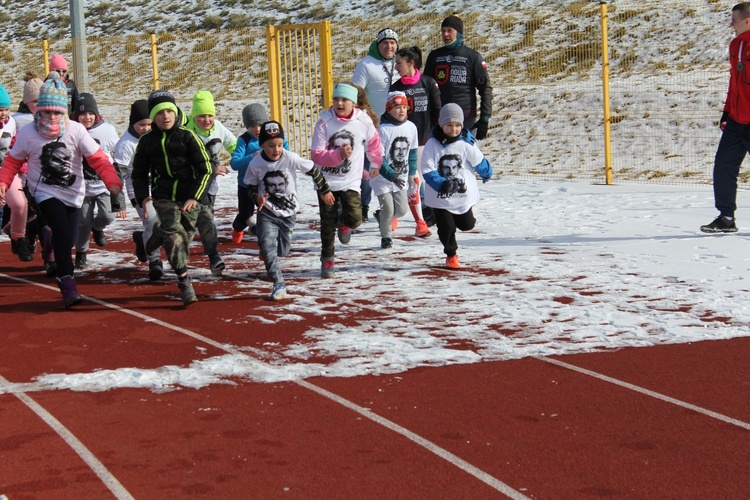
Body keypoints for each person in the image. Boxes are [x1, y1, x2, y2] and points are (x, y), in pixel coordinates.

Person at [0, 72, 122, 308]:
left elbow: (97, 159)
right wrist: (3, 182)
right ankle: (68, 287)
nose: (52, 117)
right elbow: (12, 162)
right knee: (63, 234)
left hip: (74, 193)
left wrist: (111, 181)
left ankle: (48, 239)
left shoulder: (76, 130)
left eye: (57, 112)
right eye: (47, 112)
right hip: (44, 192)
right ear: (39, 111)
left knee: (67, 240)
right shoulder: (28, 134)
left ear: (64, 112)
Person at [131, 90, 213, 306]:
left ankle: (157, 233)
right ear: (153, 117)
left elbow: (206, 169)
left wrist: (195, 197)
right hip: (163, 197)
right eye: (159, 113)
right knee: (175, 238)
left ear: (176, 113)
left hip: (189, 198)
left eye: (169, 111)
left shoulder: (188, 136)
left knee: (184, 238)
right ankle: (184, 282)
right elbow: (138, 173)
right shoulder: (147, 141)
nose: (165, 116)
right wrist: (143, 198)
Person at [244, 121, 334, 299]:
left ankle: (257, 233)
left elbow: (313, 170)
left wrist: (324, 190)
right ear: (262, 145)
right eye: (271, 146)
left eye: (279, 144)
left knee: (282, 251)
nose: (276, 149)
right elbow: (250, 186)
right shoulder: (256, 163)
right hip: (267, 213)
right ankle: (279, 284)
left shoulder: (290, 158)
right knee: (269, 247)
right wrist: (257, 197)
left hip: (288, 214)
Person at [311, 82, 383, 278]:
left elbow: (374, 144)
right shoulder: (324, 123)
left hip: (350, 181)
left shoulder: (363, 122)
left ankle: (344, 223)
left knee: (355, 219)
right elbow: (316, 155)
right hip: (326, 182)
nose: (340, 103)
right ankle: (327, 260)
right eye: (336, 99)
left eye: (345, 100)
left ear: (354, 103)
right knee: (327, 223)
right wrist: (338, 155)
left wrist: (376, 163)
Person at [421, 103, 492, 269]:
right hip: (440, 197)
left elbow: (479, 161)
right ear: (440, 124)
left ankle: (460, 219)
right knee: (447, 228)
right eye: (449, 125)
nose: (453, 129)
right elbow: (427, 169)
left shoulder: (466, 143)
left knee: (467, 225)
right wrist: (442, 184)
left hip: (462, 197)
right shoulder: (432, 144)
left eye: (457, 125)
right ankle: (451, 255)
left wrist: (487, 172)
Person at [700, 3, 750, 233]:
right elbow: (735, 83)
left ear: (747, 21)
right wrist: (727, 112)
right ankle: (726, 218)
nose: (731, 24)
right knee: (723, 167)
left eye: (734, 20)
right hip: (736, 121)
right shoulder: (735, 44)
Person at [390, 45, 442, 235]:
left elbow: (437, 110)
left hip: (423, 140)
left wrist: (440, 134)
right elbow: (390, 114)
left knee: (416, 179)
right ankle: (394, 214)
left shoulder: (428, 83)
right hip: (401, 142)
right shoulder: (396, 87)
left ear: (411, 63)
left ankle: (421, 220)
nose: (396, 67)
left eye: (399, 63)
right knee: (398, 178)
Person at [186, 90, 237, 276]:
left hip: (210, 187)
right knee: (191, 223)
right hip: (189, 186)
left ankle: (214, 257)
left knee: (206, 219)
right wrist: (211, 169)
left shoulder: (219, 128)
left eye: (210, 115)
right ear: (193, 116)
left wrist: (246, 159)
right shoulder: (187, 132)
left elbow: (234, 146)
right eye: (200, 116)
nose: (206, 120)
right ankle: (150, 242)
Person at [71, 92, 124, 269]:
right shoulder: (72, 129)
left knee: (107, 216)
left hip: (102, 184)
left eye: (90, 113)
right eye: (82, 114)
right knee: (83, 222)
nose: (87, 118)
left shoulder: (106, 130)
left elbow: (118, 152)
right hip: (82, 186)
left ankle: (98, 228)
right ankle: (81, 252)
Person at [352, 28, 400, 223]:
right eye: (385, 43)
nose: (389, 46)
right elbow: (357, 93)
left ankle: (393, 208)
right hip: (372, 125)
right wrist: (364, 118)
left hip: (396, 124)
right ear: (377, 45)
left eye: (392, 43)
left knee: (398, 165)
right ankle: (363, 206)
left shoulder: (400, 63)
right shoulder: (366, 64)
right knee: (368, 168)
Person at [114, 99, 163, 280]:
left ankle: (142, 240)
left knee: (163, 224)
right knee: (152, 223)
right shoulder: (126, 144)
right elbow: (118, 174)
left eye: (150, 124)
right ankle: (155, 261)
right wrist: (119, 203)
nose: (146, 128)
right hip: (138, 192)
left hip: (160, 189)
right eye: (142, 125)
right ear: (132, 123)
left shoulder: (156, 137)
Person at [423, 15, 492, 140]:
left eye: (450, 31)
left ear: (459, 33)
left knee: (464, 155)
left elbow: (485, 88)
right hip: (440, 117)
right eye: (443, 31)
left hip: (465, 118)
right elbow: (426, 87)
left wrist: (484, 118)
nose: (445, 34)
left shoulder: (473, 57)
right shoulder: (434, 56)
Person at [370, 91, 418, 249]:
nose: (402, 110)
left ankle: (382, 216)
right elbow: (379, 158)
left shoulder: (411, 127)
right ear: (389, 109)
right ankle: (386, 237)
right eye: (397, 107)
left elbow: (412, 153)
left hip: (401, 176)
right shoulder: (382, 130)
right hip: (382, 177)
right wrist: (391, 175)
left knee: (402, 210)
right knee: (389, 208)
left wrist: (411, 173)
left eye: (404, 107)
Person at [229, 104, 273, 244]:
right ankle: (238, 227)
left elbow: (285, 148)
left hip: (265, 186)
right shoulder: (244, 140)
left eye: (260, 125)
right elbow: (235, 163)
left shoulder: (271, 137)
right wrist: (252, 156)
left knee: (266, 212)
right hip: (246, 185)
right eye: (253, 126)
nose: (257, 129)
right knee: (245, 215)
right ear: (247, 126)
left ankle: (263, 238)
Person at [0, 83, 32, 261]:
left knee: (20, 204)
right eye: (0, 110)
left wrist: (22, 167)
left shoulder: (11, 123)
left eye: (6, 109)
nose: (4, 113)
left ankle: (18, 237)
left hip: (8, 171)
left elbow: (15, 147)